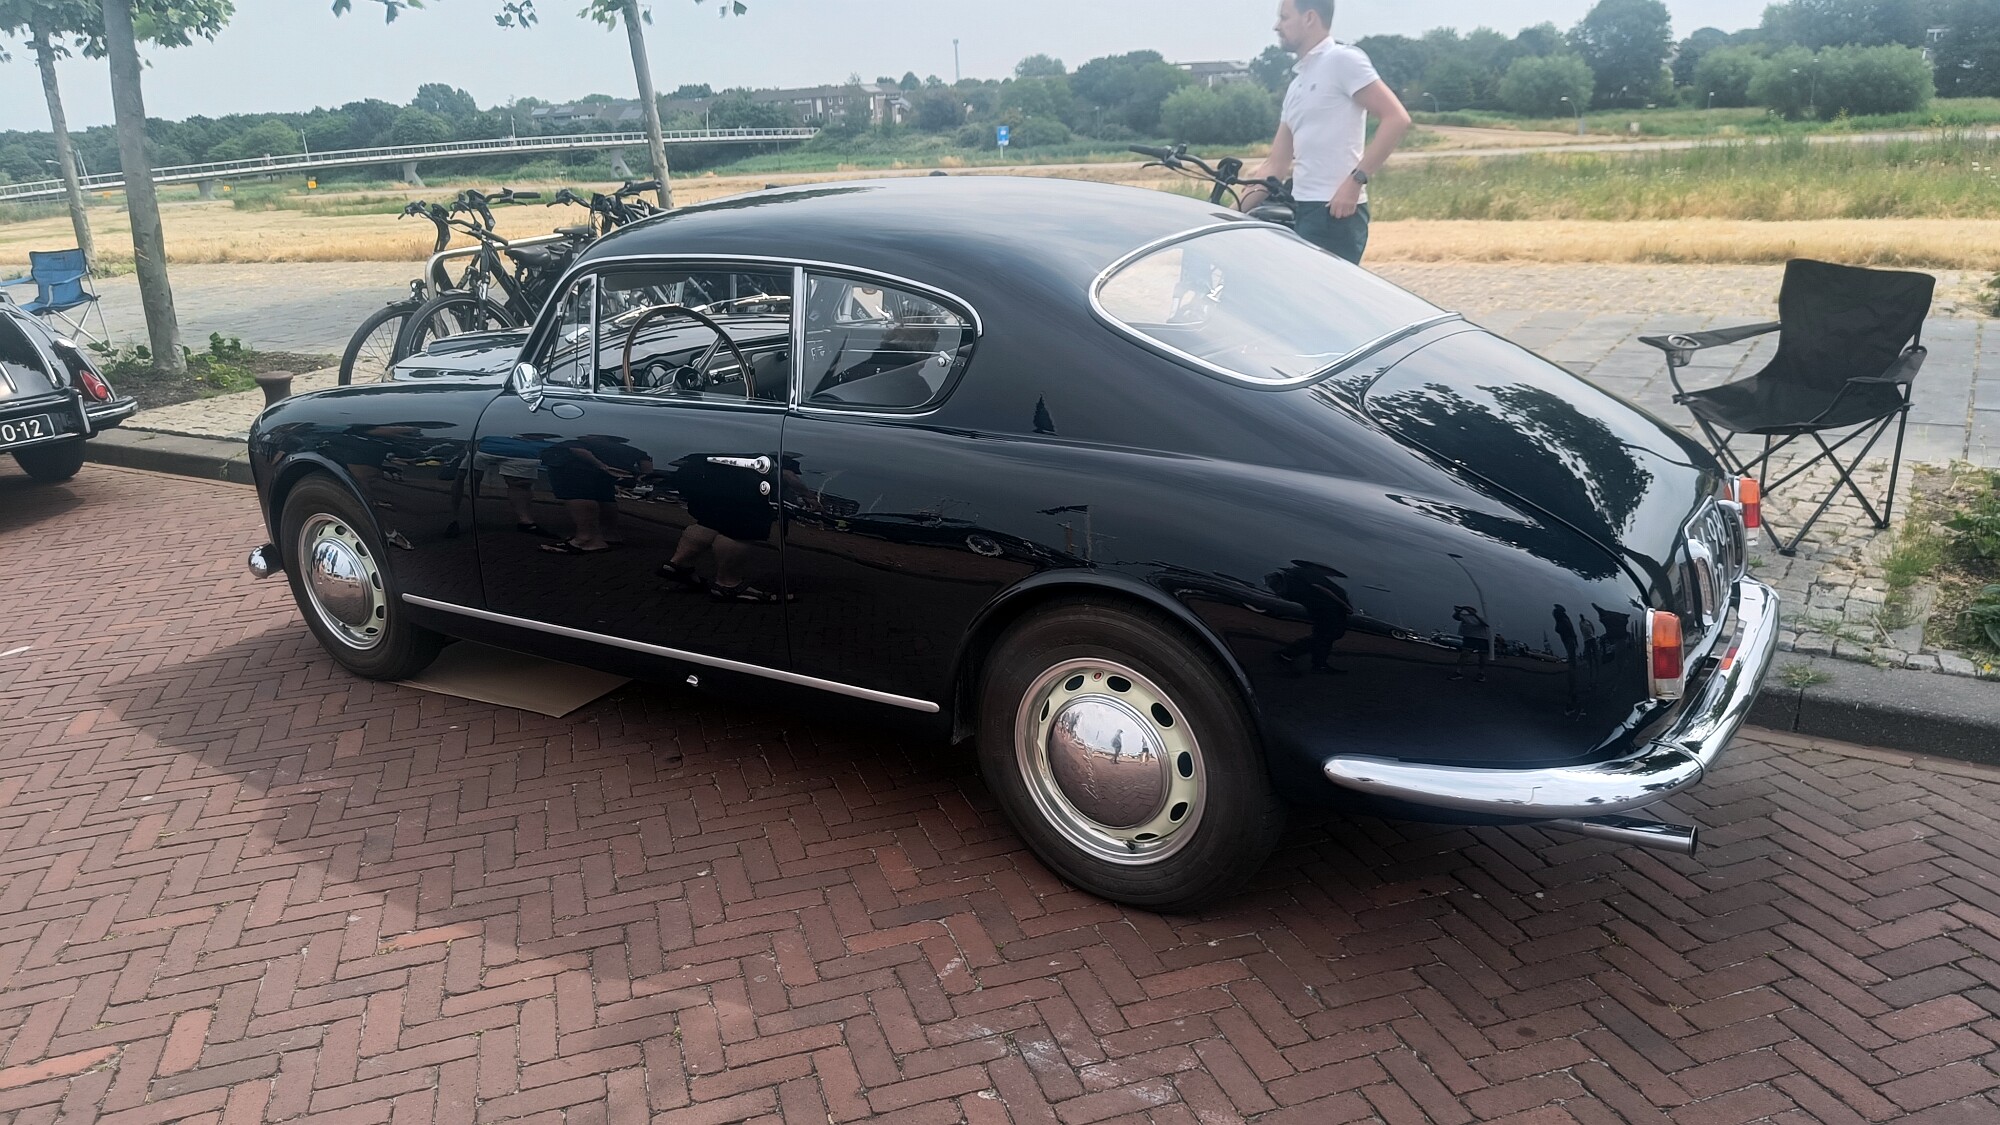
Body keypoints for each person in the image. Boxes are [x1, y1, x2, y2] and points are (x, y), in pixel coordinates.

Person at [1239, 0, 1413, 265]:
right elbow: (1275, 165)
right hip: (1302, 208)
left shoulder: (1343, 60)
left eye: (1284, 17)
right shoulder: (1297, 84)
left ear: (1309, 18)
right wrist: (1230, 213)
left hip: (1336, 212)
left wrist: (1355, 182)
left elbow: (1396, 118)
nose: (1276, 26)